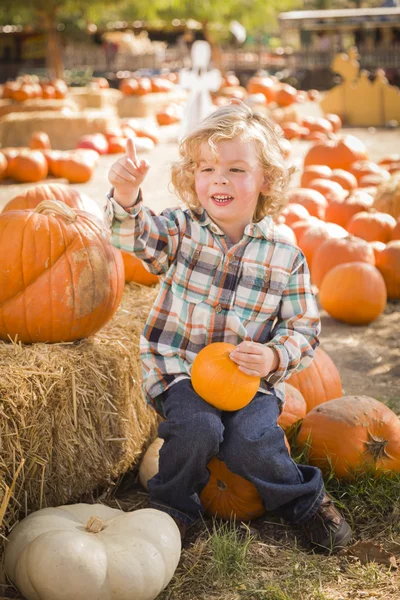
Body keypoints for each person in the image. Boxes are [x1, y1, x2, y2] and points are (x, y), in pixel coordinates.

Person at [105, 102, 352, 553]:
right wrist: (126, 195)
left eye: (236, 168)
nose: (218, 178)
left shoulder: (285, 254)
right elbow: (133, 237)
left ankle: (305, 502)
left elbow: (304, 327)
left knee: (253, 442)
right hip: (180, 369)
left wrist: (275, 356)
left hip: (247, 380)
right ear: (192, 177)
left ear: (266, 181)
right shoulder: (181, 231)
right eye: (206, 167)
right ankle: (173, 509)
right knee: (197, 430)